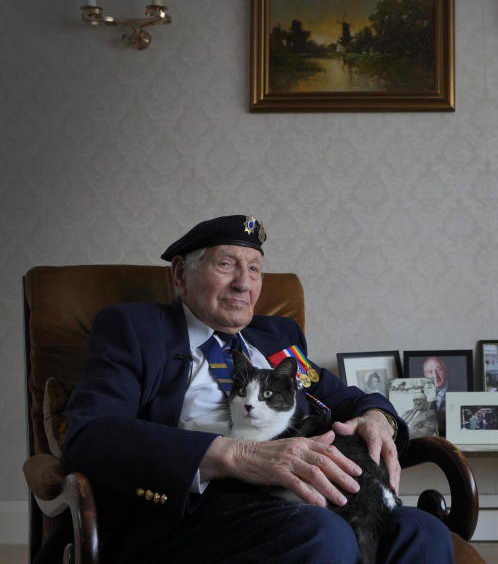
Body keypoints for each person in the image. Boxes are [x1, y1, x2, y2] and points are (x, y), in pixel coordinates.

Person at [58, 215, 453, 564]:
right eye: (226, 264)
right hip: (191, 511)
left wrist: (377, 418)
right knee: (322, 533)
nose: (243, 283)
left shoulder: (276, 338)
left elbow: (345, 397)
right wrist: (235, 454)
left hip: (294, 499)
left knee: (423, 532)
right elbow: (90, 435)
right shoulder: (136, 329)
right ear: (180, 275)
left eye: (255, 269)